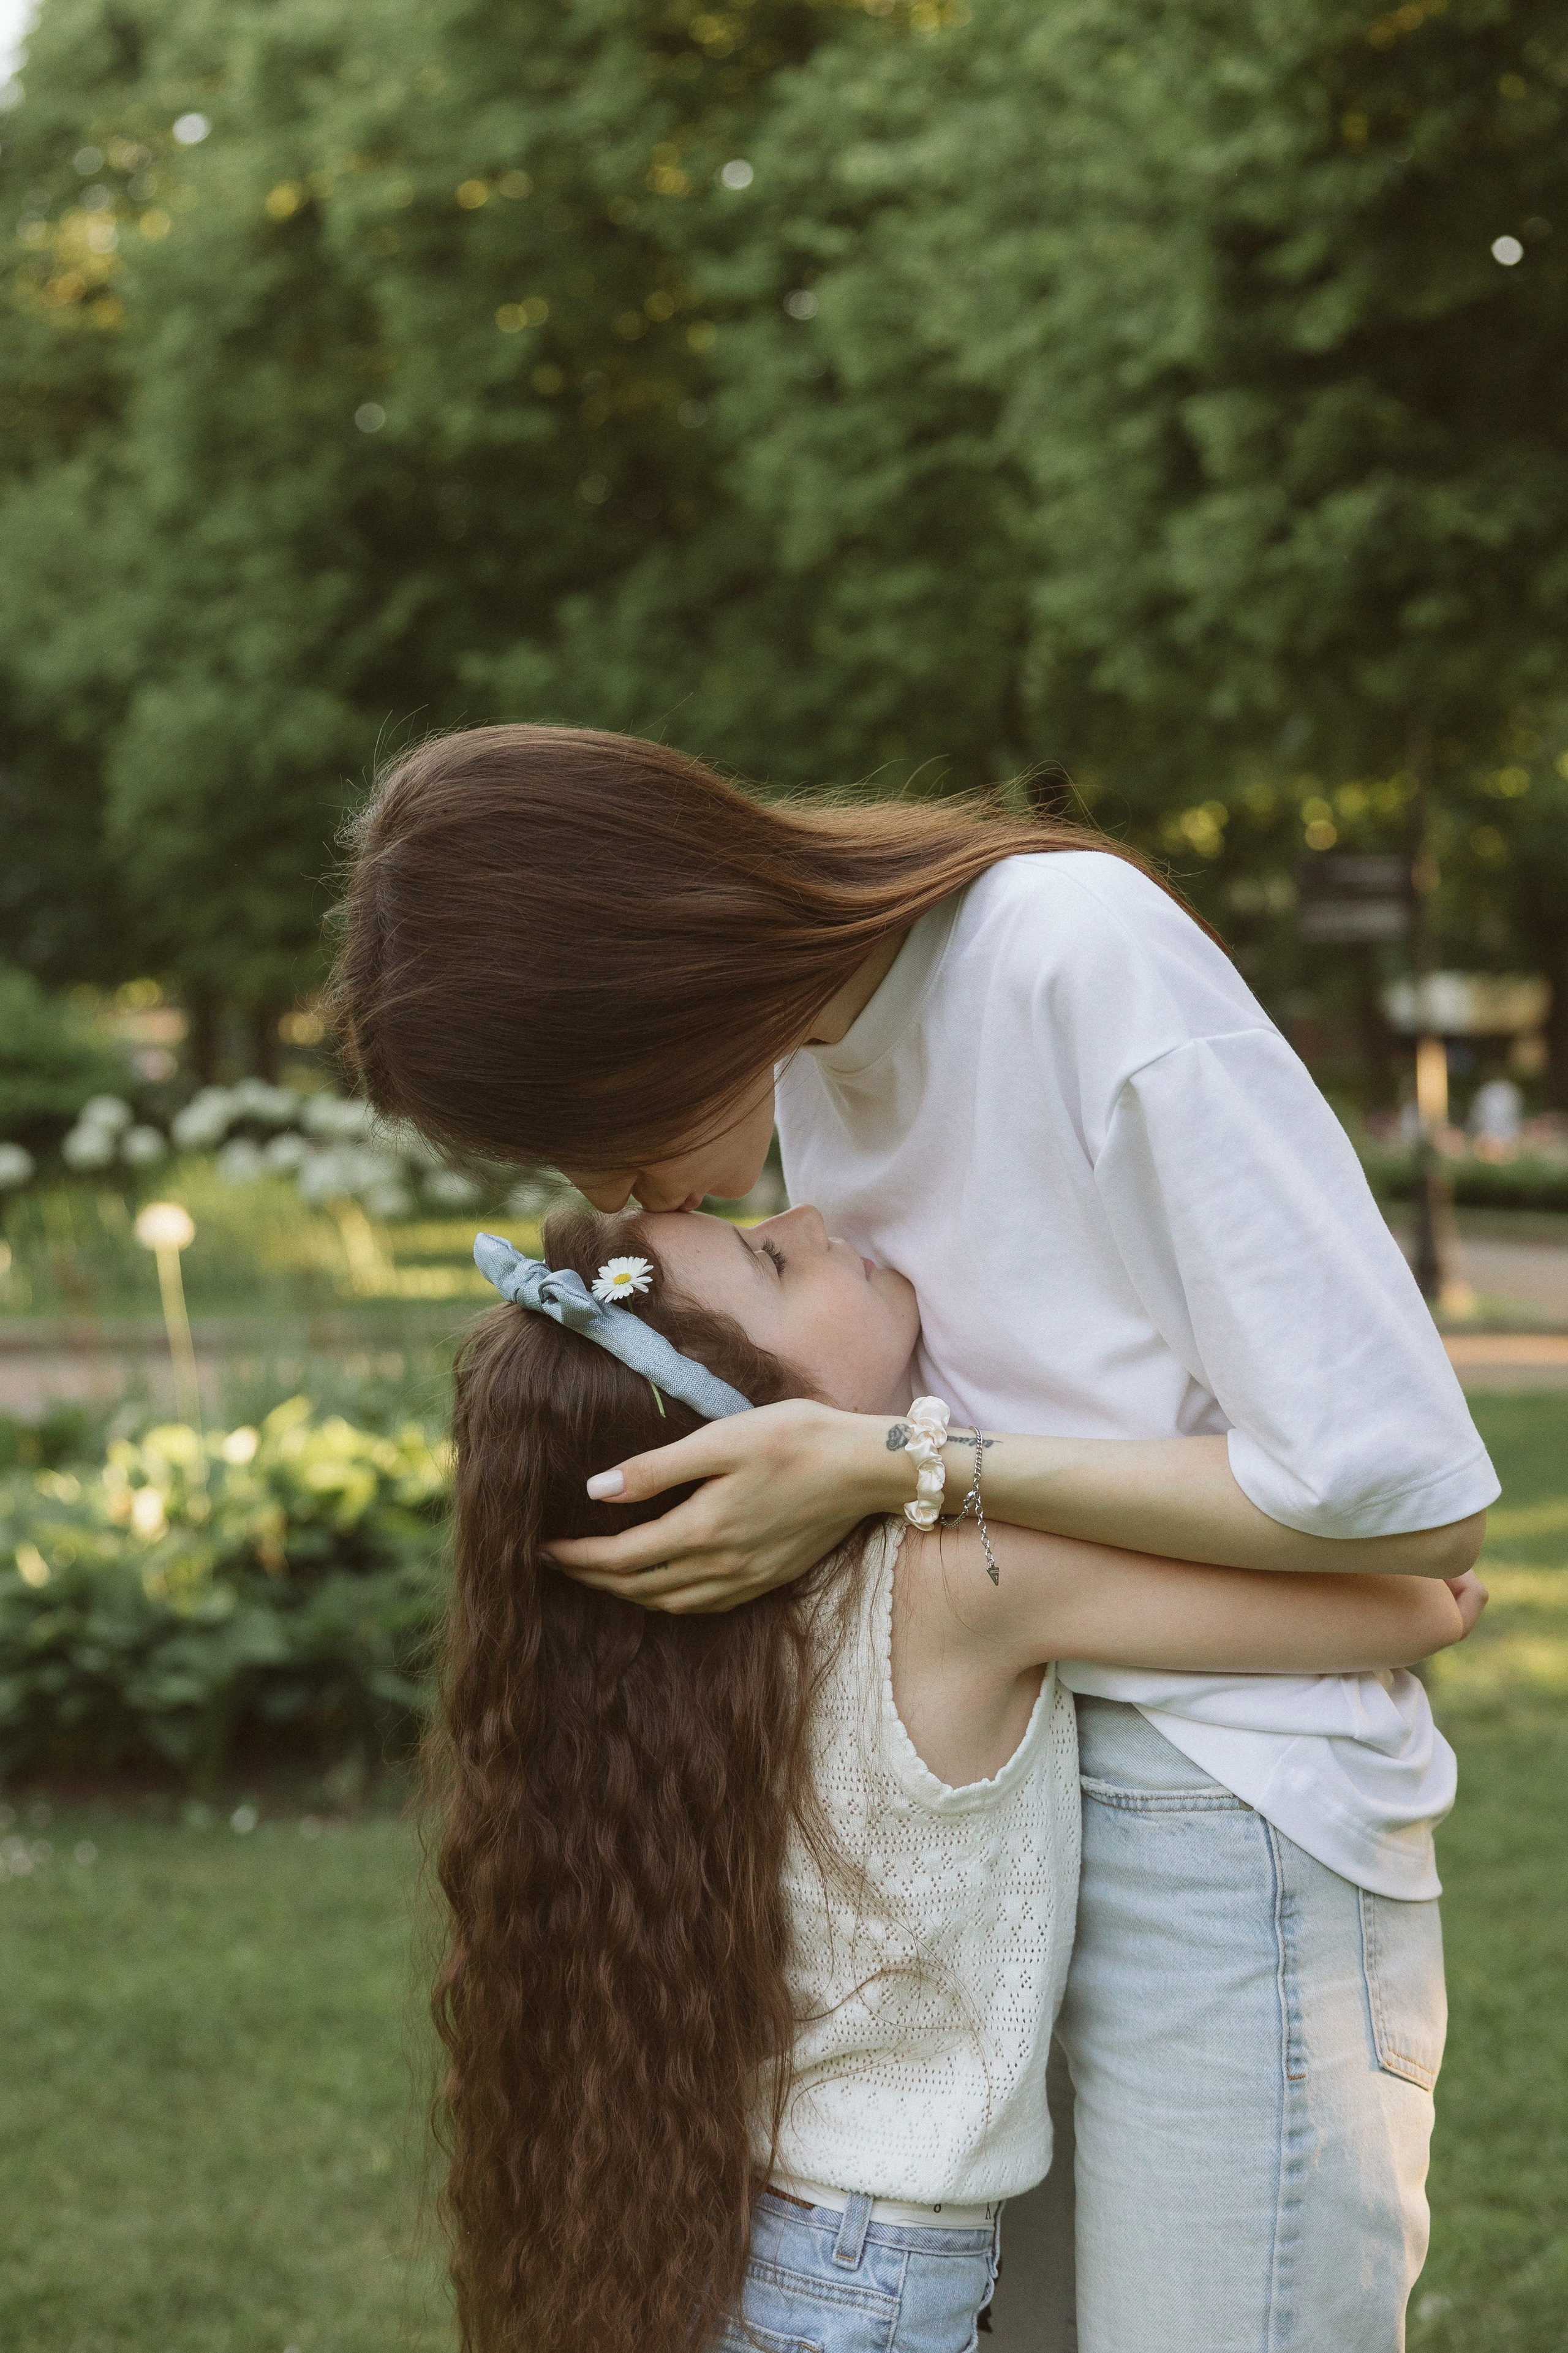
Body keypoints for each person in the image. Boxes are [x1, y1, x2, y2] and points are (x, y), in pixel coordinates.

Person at [333, 723, 1498, 2351]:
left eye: (587, 1122)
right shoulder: (817, 1053)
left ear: (653, 991)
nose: (615, 1191)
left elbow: (1405, 1492)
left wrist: (904, 1465)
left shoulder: (1068, 963)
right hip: (1009, 1814)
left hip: (1225, 1804)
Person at [432, 1198, 1483, 2353]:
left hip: (735, 2243)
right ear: (767, 1422)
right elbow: (1410, 1603)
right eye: (773, 1258)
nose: (808, 1209)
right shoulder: (947, 1588)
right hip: (860, 2286)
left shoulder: (658, 1681)